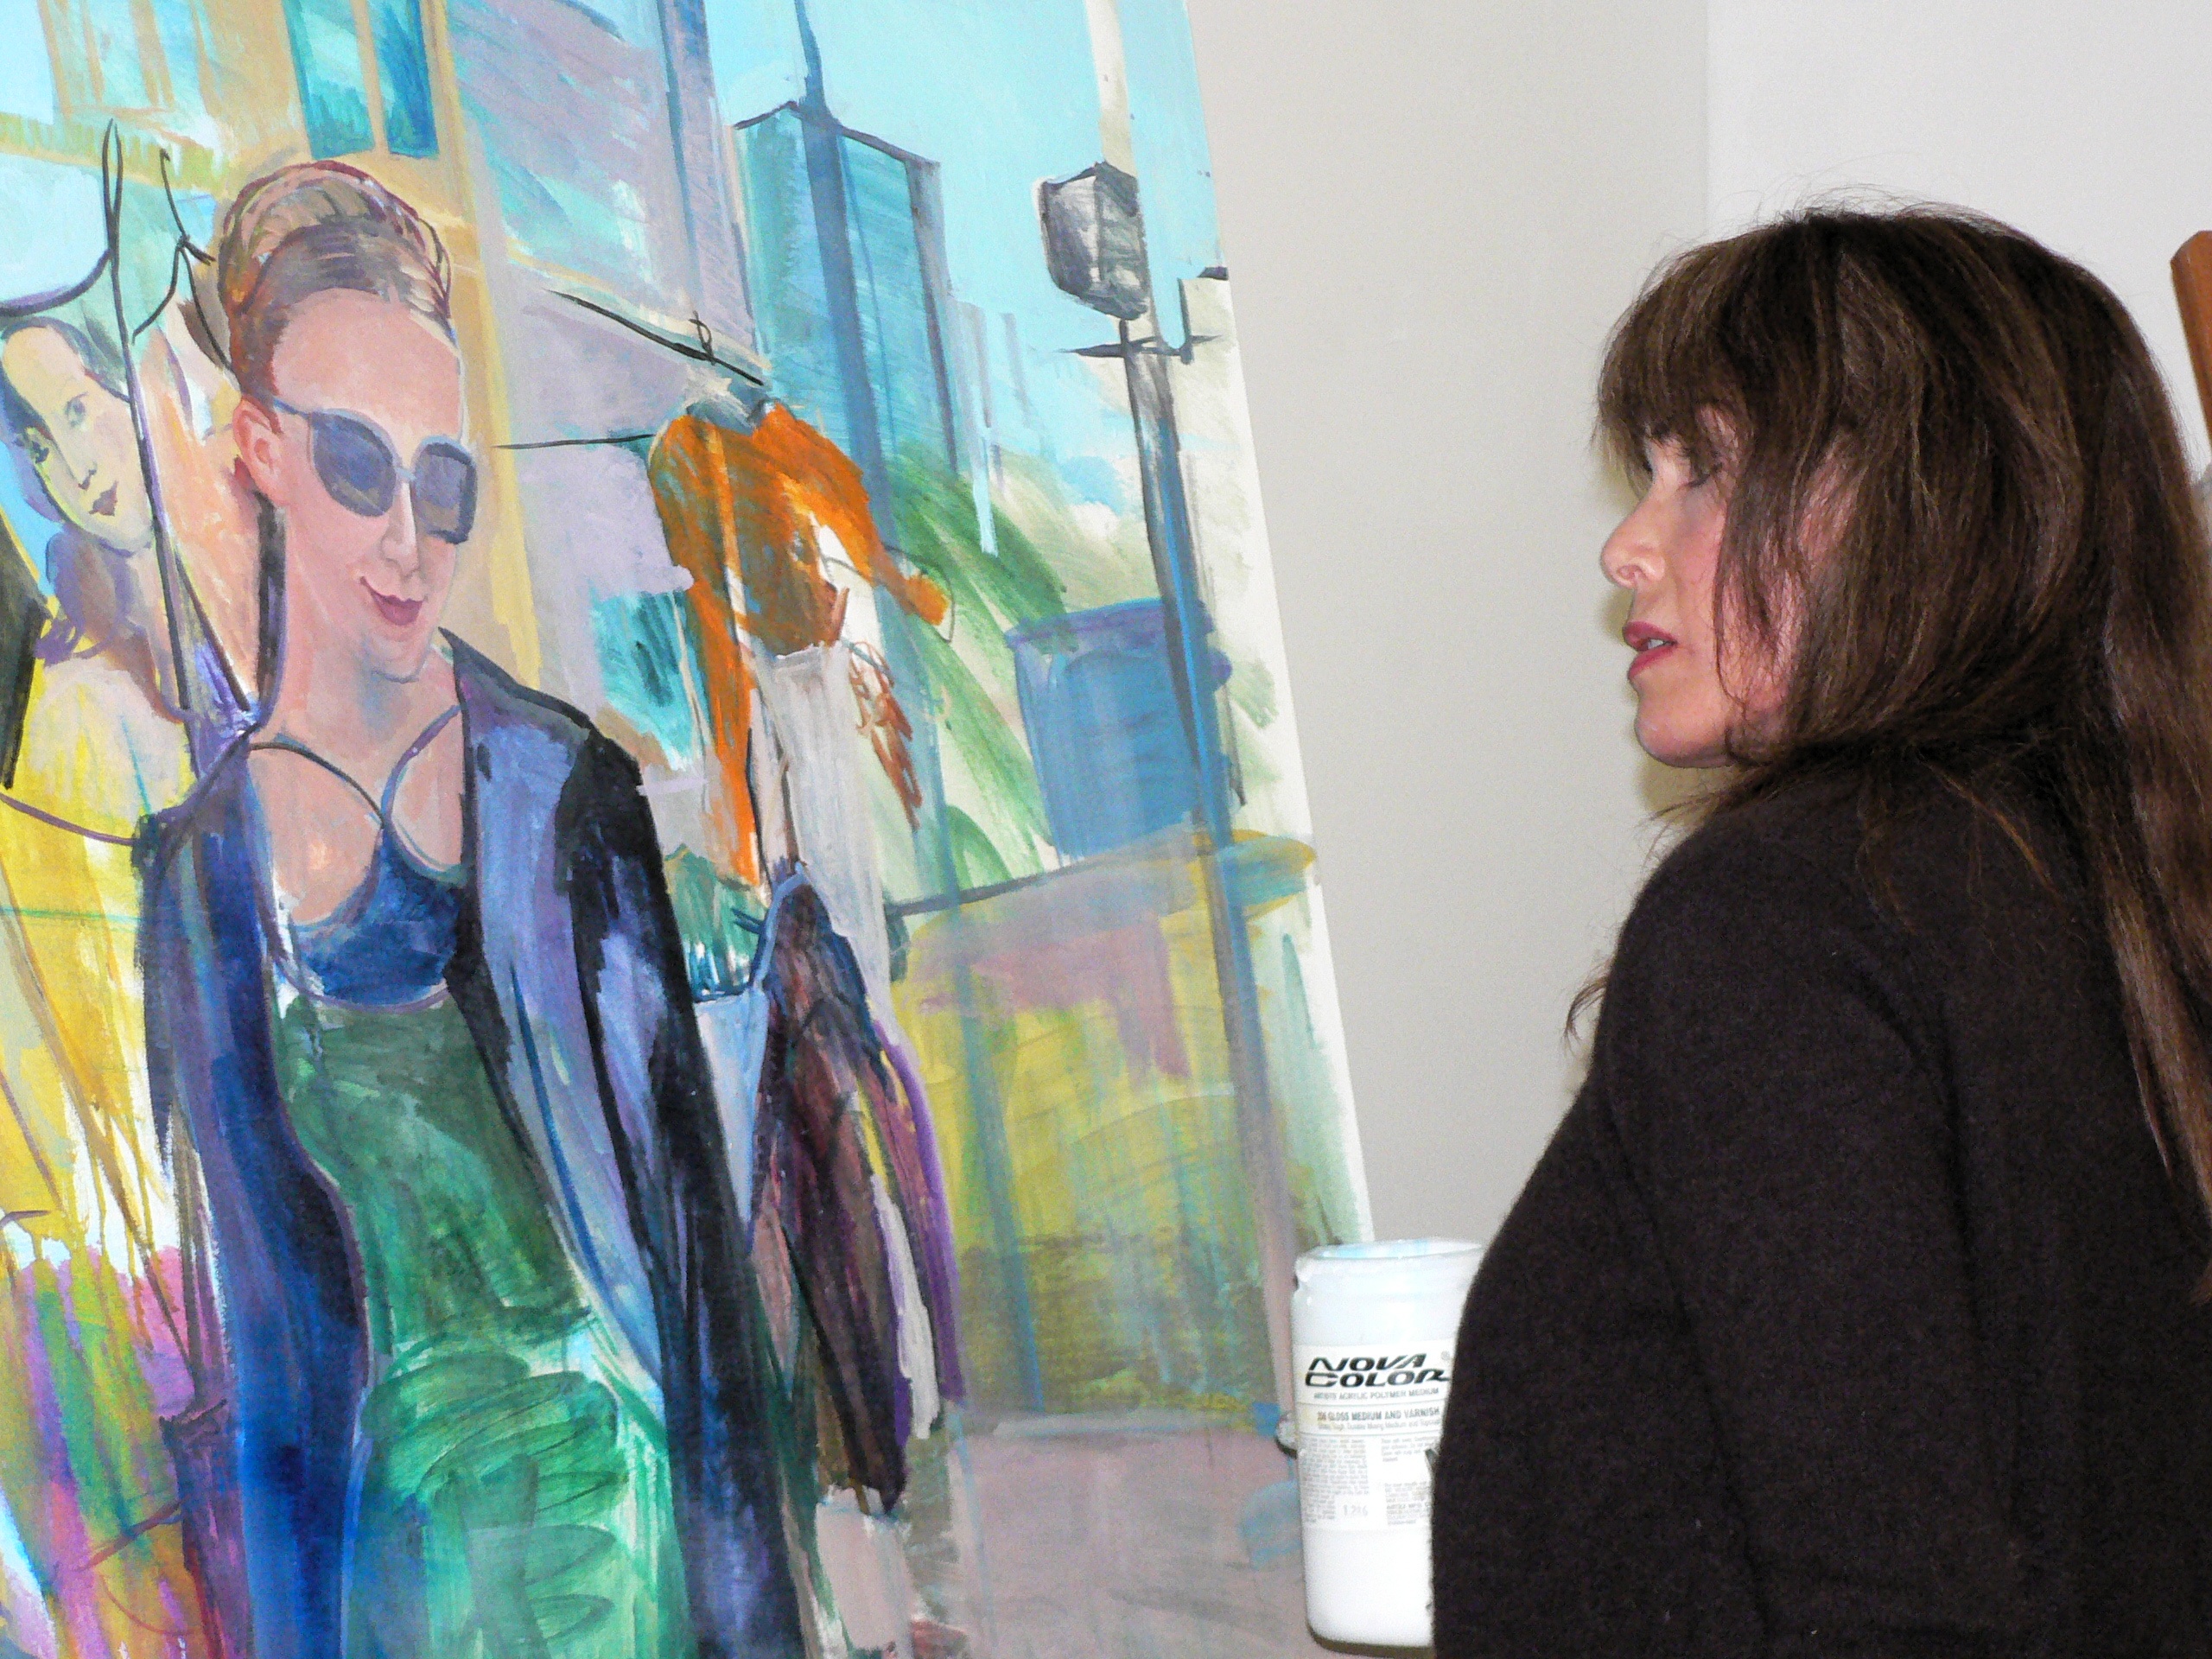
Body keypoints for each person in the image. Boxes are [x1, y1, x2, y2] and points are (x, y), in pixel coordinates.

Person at [1431, 207, 2212, 1656]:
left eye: (1708, 471)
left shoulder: (1784, 916)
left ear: (1921, 509)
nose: (1627, 547)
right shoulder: (2121, 916)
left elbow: (1890, 1609)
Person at [138, 160, 804, 1658]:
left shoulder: (565, 798)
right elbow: (266, 1372)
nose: (408, 539)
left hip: (620, 1547)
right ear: (260, 450)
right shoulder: (202, 885)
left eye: (442, 483)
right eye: (358, 466)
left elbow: (693, 1261)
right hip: (396, 1587)